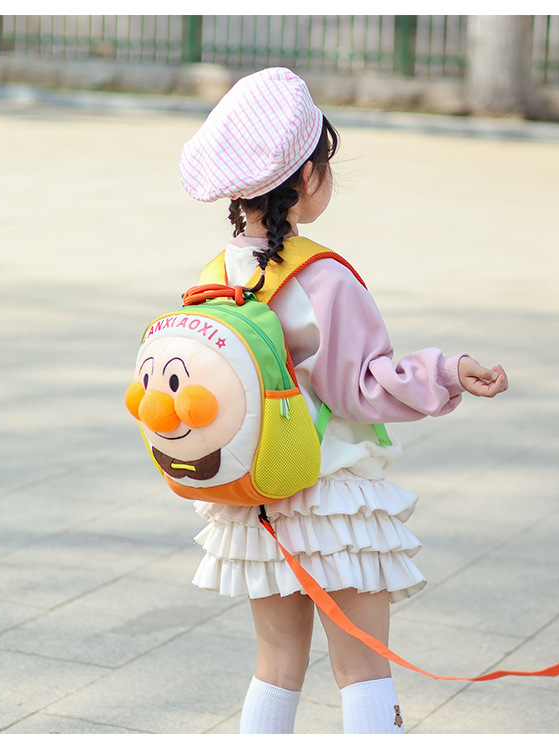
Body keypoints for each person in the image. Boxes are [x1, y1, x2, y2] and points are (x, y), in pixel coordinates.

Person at [178, 67, 508, 734]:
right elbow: (363, 386)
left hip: (257, 500)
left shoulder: (216, 275)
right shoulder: (321, 276)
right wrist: (447, 371)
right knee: (362, 669)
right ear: (306, 177)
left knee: (275, 665)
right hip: (333, 500)